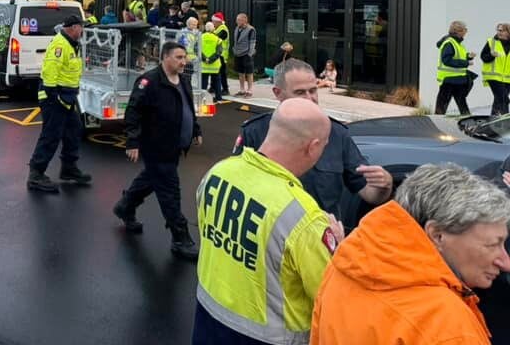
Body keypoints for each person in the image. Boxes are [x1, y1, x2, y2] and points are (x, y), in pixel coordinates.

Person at [192, 98, 342, 345]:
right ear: (313, 147)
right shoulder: (304, 217)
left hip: (207, 322)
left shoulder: (219, 172)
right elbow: (333, 297)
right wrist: (340, 250)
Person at [310, 163, 510, 345]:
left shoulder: (343, 267)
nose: (506, 262)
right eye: (492, 244)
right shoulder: (446, 324)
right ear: (437, 235)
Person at [233, 59, 393, 225]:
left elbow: (368, 192)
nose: (310, 99)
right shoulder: (255, 132)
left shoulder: (337, 134)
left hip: (321, 236)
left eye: (313, 90)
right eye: (300, 92)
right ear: (278, 93)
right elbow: (235, 189)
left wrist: (384, 186)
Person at [114, 41, 203, 259]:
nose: (184, 61)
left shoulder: (183, 81)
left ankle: (125, 206)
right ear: (165, 57)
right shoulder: (149, 82)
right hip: (156, 146)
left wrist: (195, 129)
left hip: (175, 146)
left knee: (152, 179)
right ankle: (180, 237)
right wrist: (132, 141)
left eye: (184, 57)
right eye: (179, 57)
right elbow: (133, 111)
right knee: (169, 190)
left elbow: (187, 108)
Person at [27, 14, 89, 192]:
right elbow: (50, 71)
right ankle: (36, 174)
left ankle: (69, 168)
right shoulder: (60, 45)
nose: (83, 30)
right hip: (55, 97)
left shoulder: (71, 44)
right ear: (74, 27)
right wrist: (54, 97)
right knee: (51, 135)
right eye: (81, 27)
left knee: (74, 130)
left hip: (67, 97)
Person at [435, 20, 475, 115]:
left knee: (461, 104)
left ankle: (467, 121)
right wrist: (466, 63)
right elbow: (447, 60)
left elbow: (457, 57)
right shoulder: (449, 43)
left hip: (458, 79)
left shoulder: (457, 43)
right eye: (465, 30)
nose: (466, 32)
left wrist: (468, 56)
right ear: (458, 31)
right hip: (449, 80)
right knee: (442, 106)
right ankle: (436, 122)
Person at [480, 22, 510, 116]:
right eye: (498, 30)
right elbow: (483, 57)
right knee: (503, 98)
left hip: (507, 78)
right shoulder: (491, 42)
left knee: (498, 99)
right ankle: (505, 117)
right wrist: (491, 55)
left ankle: (494, 118)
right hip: (493, 76)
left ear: (508, 32)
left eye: (502, 30)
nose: (499, 32)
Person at [232, 13, 257, 97]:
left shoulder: (251, 30)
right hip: (237, 53)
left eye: (239, 20)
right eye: (237, 20)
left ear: (245, 20)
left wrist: (250, 54)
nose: (237, 21)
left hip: (246, 54)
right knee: (240, 72)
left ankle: (249, 90)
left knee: (249, 72)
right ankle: (242, 90)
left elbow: (252, 42)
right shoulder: (237, 28)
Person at [200, 22, 224, 104]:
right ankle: (219, 98)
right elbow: (219, 52)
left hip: (204, 65)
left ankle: (203, 98)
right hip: (215, 65)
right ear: (213, 29)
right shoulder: (218, 39)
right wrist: (211, 59)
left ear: (205, 28)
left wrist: (205, 59)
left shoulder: (200, 37)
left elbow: (197, 49)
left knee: (204, 82)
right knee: (217, 82)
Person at [212, 12, 230, 95]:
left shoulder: (223, 29)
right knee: (214, 71)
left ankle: (225, 89)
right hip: (217, 54)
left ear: (218, 21)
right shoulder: (217, 29)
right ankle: (213, 87)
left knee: (222, 73)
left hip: (222, 55)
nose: (213, 23)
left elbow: (216, 38)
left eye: (214, 21)